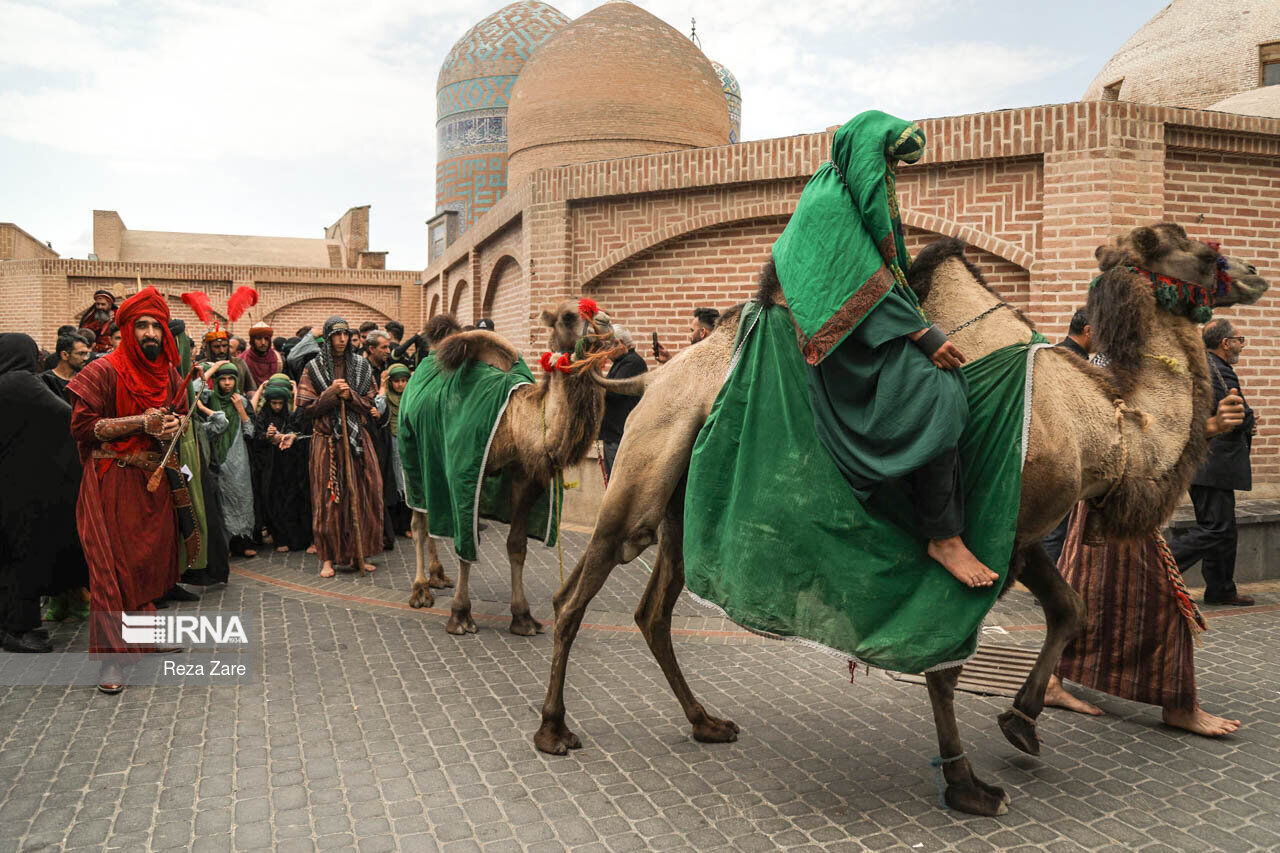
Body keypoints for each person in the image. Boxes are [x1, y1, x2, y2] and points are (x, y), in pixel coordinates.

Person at [774, 110, 995, 589]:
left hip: (870, 332)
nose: (889, 179)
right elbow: (856, 285)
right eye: (887, 165)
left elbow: (888, 275)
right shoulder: (828, 204)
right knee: (938, 391)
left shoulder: (845, 197)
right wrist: (922, 333)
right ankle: (944, 536)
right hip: (846, 348)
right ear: (865, 156)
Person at [1046, 389, 1248, 736]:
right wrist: (1210, 426)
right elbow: (1131, 440)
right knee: (1164, 603)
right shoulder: (1123, 362)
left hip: (1110, 504)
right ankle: (1179, 706)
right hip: (1115, 506)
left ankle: (1050, 679)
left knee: (1085, 594)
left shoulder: (1126, 359)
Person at [67, 287, 197, 693]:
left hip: (152, 482)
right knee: (111, 571)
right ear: (125, 328)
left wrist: (177, 426)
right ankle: (110, 660)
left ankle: (145, 635)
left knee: (146, 565)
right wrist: (140, 422)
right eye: (142, 324)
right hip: (111, 479)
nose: (151, 332)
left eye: (156, 325)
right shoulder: (103, 369)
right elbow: (83, 428)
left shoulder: (169, 373)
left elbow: (177, 419)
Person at [0, 334, 88, 652]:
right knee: (22, 559)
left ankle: (8, 625)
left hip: (8, 488)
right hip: (22, 494)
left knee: (7, 560)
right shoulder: (22, 383)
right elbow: (67, 417)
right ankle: (19, 629)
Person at [1170, 319, 1256, 606]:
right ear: (1225, 343)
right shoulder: (1218, 372)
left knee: (1224, 528)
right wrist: (1250, 420)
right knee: (1215, 527)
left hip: (1210, 464)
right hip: (1213, 464)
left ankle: (1221, 589)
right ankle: (1160, 569)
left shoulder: (1206, 367)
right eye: (1239, 339)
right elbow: (1235, 412)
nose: (1242, 345)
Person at [296, 316, 384, 577]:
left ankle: (359, 553)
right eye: (336, 335)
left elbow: (370, 404)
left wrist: (350, 396)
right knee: (328, 501)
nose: (342, 340)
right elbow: (305, 409)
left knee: (364, 494)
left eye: (346, 334)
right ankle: (327, 558)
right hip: (327, 443)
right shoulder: (313, 368)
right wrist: (330, 394)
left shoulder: (362, 366)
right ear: (327, 337)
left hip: (357, 442)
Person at [1042, 307, 1092, 563]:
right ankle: (1051, 590)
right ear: (1088, 330)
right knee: (1056, 527)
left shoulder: (1055, 353)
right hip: (1063, 451)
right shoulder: (1075, 362)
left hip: (1052, 448)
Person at [197, 362, 258, 558]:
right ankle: (226, 545)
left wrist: (240, 409)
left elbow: (251, 431)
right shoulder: (209, 398)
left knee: (241, 497)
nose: (227, 383)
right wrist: (214, 368)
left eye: (231, 378)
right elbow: (193, 389)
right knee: (220, 500)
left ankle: (243, 542)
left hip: (238, 458)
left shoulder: (241, 400)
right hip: (214, 457)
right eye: (222, 379)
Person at [251, 374, 312, 552]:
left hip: (291, 466)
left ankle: (296, 537)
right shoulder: (263, 417)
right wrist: (267, 437)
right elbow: (256, 437)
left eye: (280, 403)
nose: (277, 407)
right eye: (274, 403)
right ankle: (279, 537)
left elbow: (298, 428)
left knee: (292, 500)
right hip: (271, 468)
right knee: (274, 501)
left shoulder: (290, 415)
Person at [599, 325, 647, 478]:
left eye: (607, 346)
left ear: (619, 343)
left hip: (620, 436)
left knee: (616, 479)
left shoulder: (632, 363)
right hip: (614, 435)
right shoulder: (622, 362)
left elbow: (614, 391)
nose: (605, 351)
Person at [376, 364, 413, 537]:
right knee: (395, 482)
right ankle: (397, 526)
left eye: (404, 381)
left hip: (409, 442)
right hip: (391, 443)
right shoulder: (387, 398)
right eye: (396, 381)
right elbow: (380, 410)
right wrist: (382, 387)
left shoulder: (411, 396)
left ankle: (408, 525)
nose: (400, 385)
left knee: (408, 482)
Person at [653, 307, 718, 364]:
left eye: (692, 330)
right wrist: (668, 360)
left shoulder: (700, 360)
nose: (689, 336)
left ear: (702, 332)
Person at [200, 328, 255, 392]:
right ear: (209, 348)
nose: (222, 350)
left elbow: (251, 389)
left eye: (224, 346)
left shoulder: (239, 363)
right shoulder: (201, 366)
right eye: (217, 347)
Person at [40, 333, 91, 402]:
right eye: (81, 353)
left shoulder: (84, 380)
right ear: (64, 355)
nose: (85, 358)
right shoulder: (45, 380)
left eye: (86, 354)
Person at [241, 321, 281, 387]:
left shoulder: (278, 359)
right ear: (252, 341)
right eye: (259, 338)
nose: (263, 342)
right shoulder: (242, 359)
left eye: (266, 339)